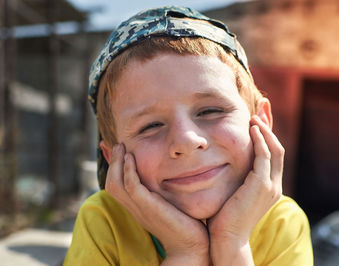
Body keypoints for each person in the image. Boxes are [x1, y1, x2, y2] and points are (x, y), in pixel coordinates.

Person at [64, 6, 313, 265]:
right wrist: (186, 251)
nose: (186, 140)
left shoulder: (284, 223)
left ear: (261, 122)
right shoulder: (104, 221)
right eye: (150, 126)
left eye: (210, 110)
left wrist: (232, 240)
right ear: (113, 156)